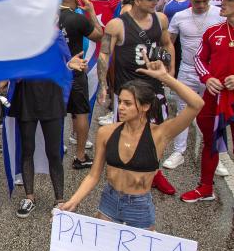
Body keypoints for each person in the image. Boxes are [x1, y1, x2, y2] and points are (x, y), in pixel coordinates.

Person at [60, 55, 204, 229]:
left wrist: (165, 78)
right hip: (109, 202)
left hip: (140, 207)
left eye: (128, 103)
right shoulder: (106, 132)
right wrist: (73, 201)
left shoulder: (159, 134)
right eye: (120, 102)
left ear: (145, 106)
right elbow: (93, 175)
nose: (120, 107)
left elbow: (196, 104)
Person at [101, 0, 177, 195]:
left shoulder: (160, 19)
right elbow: (105, 54)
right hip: (128, 89)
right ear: (137, 1)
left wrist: (170, 70)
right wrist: (102, 86)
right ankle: (125, 173)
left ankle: (155, 173)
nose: (156, 1)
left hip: (153, 87)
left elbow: (167, 43)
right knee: (126, 132)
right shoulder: (117, 24)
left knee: (156, 132)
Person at [11, 30, 89, 218]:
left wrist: (69, 65)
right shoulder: (21, 36)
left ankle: (59, 200)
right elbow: (14, 69)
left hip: (51, 98)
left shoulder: (56, 35)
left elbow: (65, 63)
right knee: (27, 148)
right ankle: (29, 197)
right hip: (27, 98)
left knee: (54, 151)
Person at [163, 0, 225, 171]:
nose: (201, 5)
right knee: (183, 110)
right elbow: (169, 42)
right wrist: (169, 66)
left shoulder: (219, 13)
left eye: (205, 1)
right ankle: (178, 151)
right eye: (197, 2)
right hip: (188, 69)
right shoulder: (180, 16)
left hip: (212, 73)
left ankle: (217, 156)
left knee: (213, 114)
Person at [184, 0, 234, 202]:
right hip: (215, 96)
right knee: (210, 141)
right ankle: (205, 187)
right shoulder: (213, 31)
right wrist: (207, 78)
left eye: (228, 0)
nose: (221, 3)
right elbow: (199, 59)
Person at [58, 0, 104, 169]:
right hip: (76, 72)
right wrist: (91, 11)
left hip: (56, 72)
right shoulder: (78, 19)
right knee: (80, 113)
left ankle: (55, 151)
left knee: (56, 114)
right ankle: (80, 156)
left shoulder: (50, 16)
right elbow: (99, 35)